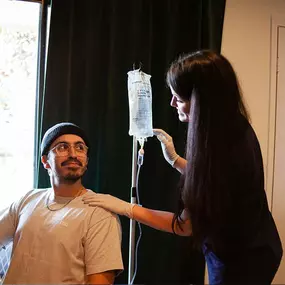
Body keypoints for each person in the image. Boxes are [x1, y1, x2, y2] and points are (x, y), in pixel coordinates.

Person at [82, 50, 283, 284]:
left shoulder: (223, 146)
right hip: (256, 243)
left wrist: (127, 208)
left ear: (202, 100)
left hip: (244, 257)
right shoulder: (230, 124)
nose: (172, 103)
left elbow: (184, 226)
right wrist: (176, 161)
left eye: (179, 97)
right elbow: (216, 181)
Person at [0, 122, 123, 284]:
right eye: (62, 147)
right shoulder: (28, 199)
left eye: (80, 148)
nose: (73, 154)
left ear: (86, 160)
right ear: (45, 161)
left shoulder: (100, 213)